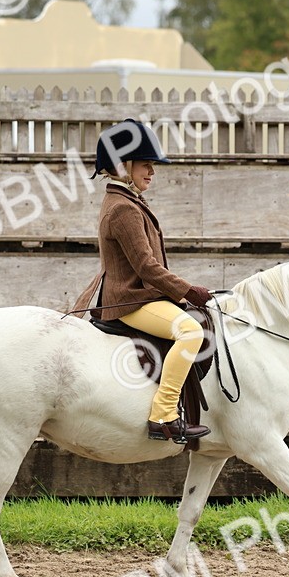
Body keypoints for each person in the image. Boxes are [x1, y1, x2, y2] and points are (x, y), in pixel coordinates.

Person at [74, 119, 213, 443]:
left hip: (140, 295)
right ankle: (163, 414)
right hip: (131, 300)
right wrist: (188, 290)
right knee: (191, 332)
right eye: (146, 165)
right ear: (122, 165)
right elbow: (147, 268)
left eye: (152, 165)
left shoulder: (127, 201)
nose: (152, 171)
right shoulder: (123, 208)